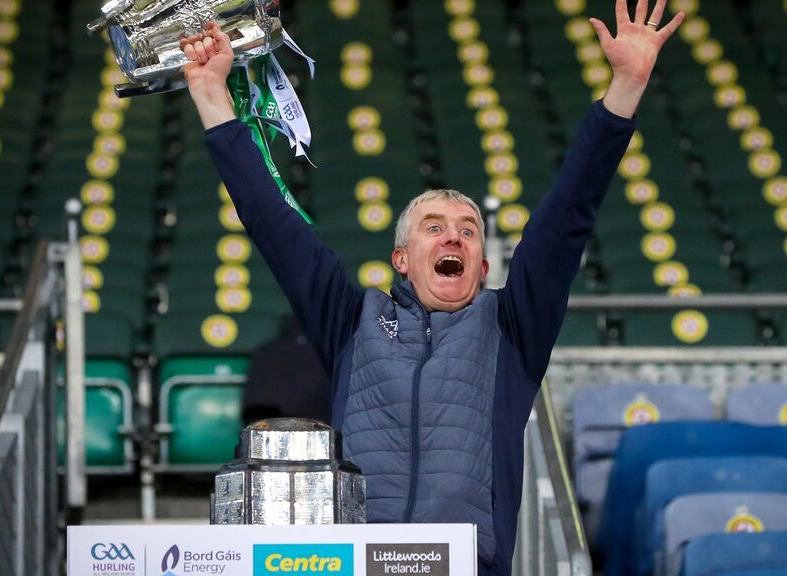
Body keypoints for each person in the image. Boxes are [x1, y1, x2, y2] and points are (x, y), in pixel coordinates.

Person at [181, 1, 682, 573]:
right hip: (358, 564)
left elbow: (569, 213)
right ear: (401, 258)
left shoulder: (512, 329)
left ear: (483, 265)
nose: (453, 237)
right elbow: (272, 223)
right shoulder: (351, 322)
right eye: (434, 227)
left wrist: (624, 89)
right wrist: (212, 95)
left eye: (468, 231)